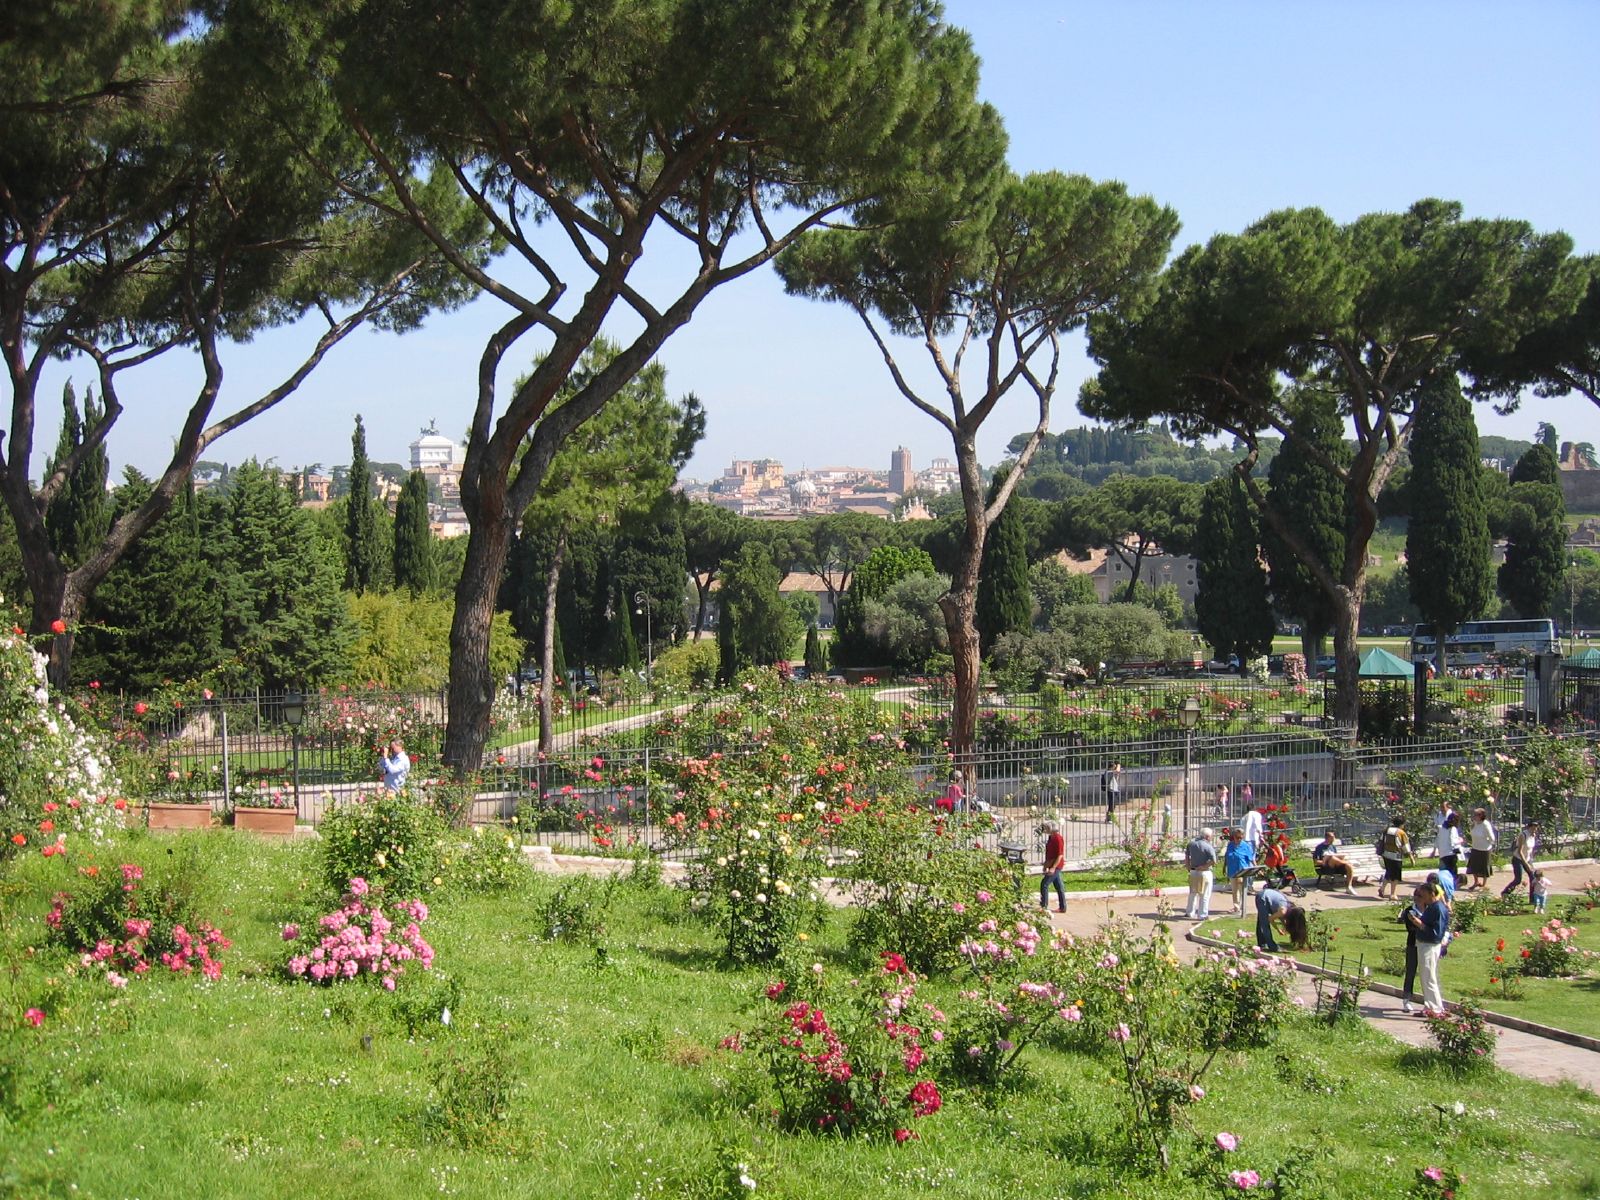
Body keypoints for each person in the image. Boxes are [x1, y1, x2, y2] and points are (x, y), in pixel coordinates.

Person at [1404, 881, 1451, 1012]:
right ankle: (1429, 1006)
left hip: (1430, 946)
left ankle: (1435, 1009)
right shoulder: (1431, 907)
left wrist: (1418, 923)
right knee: (1425, 977)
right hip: (1424, 944)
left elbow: (1436, 933)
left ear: (1432, 894)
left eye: (1424, 895)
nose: (1422, 898)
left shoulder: (1438, 909)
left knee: (1429, 978)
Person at [1254, 887, 1308, 952]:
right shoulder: (1283, 910)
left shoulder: (1289, 908)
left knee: (1261, 921)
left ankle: (1262, 944)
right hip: (1262, 898)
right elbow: (1270, 919)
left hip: (1267, 895)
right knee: (1264, 924)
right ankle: (1272, 947)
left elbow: (1281, 917)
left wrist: (1285, 926)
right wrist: (1278, 929)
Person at [1376, 816, 1414, 900]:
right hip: (1396, 856)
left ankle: (1382, 889)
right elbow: (1405, 846)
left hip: (1386, 855)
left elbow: (1381, 840)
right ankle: (1393, 894)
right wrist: (1411, 857)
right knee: (1395, 876)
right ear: (1402, 824)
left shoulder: (1386, 830)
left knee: (1389, 872)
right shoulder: (1401, 832)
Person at [1501, 821, 1540, 900]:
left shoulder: (1533, 835)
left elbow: (1530, 849)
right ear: (1529, 827)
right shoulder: (1523, 835)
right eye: (1533, 828)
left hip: (1527, 859)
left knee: (1533, 878)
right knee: (1518, 880)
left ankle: (1532, 899)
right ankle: (1505, 893)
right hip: (1518, 859)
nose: (1535, 830)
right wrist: (1526, 864)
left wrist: (1530, 861)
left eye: (1536, 828)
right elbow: (1520, 851)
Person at [1184, 827, 1217, 920]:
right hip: (1205, 872)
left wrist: (1188, 866)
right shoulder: (1208, 846)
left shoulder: (1191, 843)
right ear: (1207, 836)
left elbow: (1187, 855)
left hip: (1193, 871)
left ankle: (1189, 912)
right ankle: (1202, 914)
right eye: (1211, 836)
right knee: (1205, 894)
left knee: (1193, 893)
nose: (1212, 838)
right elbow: (1214, 861)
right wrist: (1204, 866)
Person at [1312, 830, 1358, 895]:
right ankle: (1346, 862)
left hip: (1336, 867)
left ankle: (1349, 887)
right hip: (1326, 868)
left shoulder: (1332, 847)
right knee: (1332, 858)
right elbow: (1316, 861)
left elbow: (1336, 857)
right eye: (1332, 838)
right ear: (1327, 838)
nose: (1334, 839)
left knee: (1349, 866)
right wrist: (1323, 862)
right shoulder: (1319, 847)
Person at [1223, 828, 1256, 918]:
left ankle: (1242, 907)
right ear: (1234, 837)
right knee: (1234, 890)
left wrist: (1256, 867)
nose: (1239, 839)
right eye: (1237, 837)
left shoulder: (1246, 846)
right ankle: (1236, 907)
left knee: (1241, 889)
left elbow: (1251, 858)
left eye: (1241, 837)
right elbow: (1227, 856)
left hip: (1242, 871)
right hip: (1232, 870)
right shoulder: (1230, 845)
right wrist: (1224, 867)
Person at [1466, 807, 1496, 891]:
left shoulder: (1485, 824)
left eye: (1475, 815)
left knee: (1484, 867)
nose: (1473, 816)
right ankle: (1476, 882)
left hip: (1485, 849)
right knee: (1474, 866)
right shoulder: (1474, 823)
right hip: (1475, 848)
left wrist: (1488, 843)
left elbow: (1492, 838)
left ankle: (1484, 884)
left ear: (1481, 815)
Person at [1040, 822, 1067, 914]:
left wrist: (1053, 867)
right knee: (1059, 886)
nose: (1045, 830)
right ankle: (1063, 907)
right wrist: (1046, 865)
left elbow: (1059, 855)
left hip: (1056, 865)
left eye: (1046, 828)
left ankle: (1044, 906)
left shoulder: (1058, 838)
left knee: (1044, 884)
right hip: (1051, 864)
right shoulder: (1051, 838)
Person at [1434, 810, 1463, 879]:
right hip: (1450, 853)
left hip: (1442, 853)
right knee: (1452, 872)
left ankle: (1443, 883)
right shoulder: (1452, 829)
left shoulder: (1441, 828)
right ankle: (1452, 883)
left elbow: (1437, 839)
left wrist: (1435, 849)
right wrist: (1460, 840)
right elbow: (1453, 841)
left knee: (1442, 872)